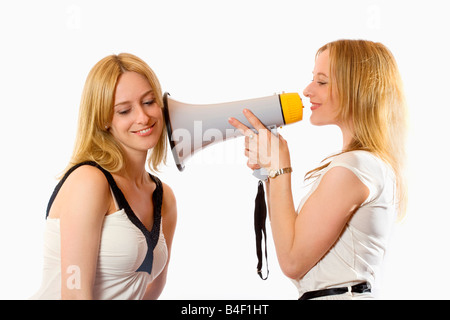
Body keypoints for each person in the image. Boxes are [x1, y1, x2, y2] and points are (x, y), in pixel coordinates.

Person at [229, 39, 408, 300]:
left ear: (356, 89)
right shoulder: (364, 164)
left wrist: (280, 168)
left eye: (322, 82)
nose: (308, 90)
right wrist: (271, 169)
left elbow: (292, 261)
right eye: (313, 79)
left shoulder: (356, 167)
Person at [31, 53, 177, 300]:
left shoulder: (165, 197)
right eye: (124, 111)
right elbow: (75, 294)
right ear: (104, 120)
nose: (143, 117)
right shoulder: (89, 181)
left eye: (149, 101)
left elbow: (153, 288)